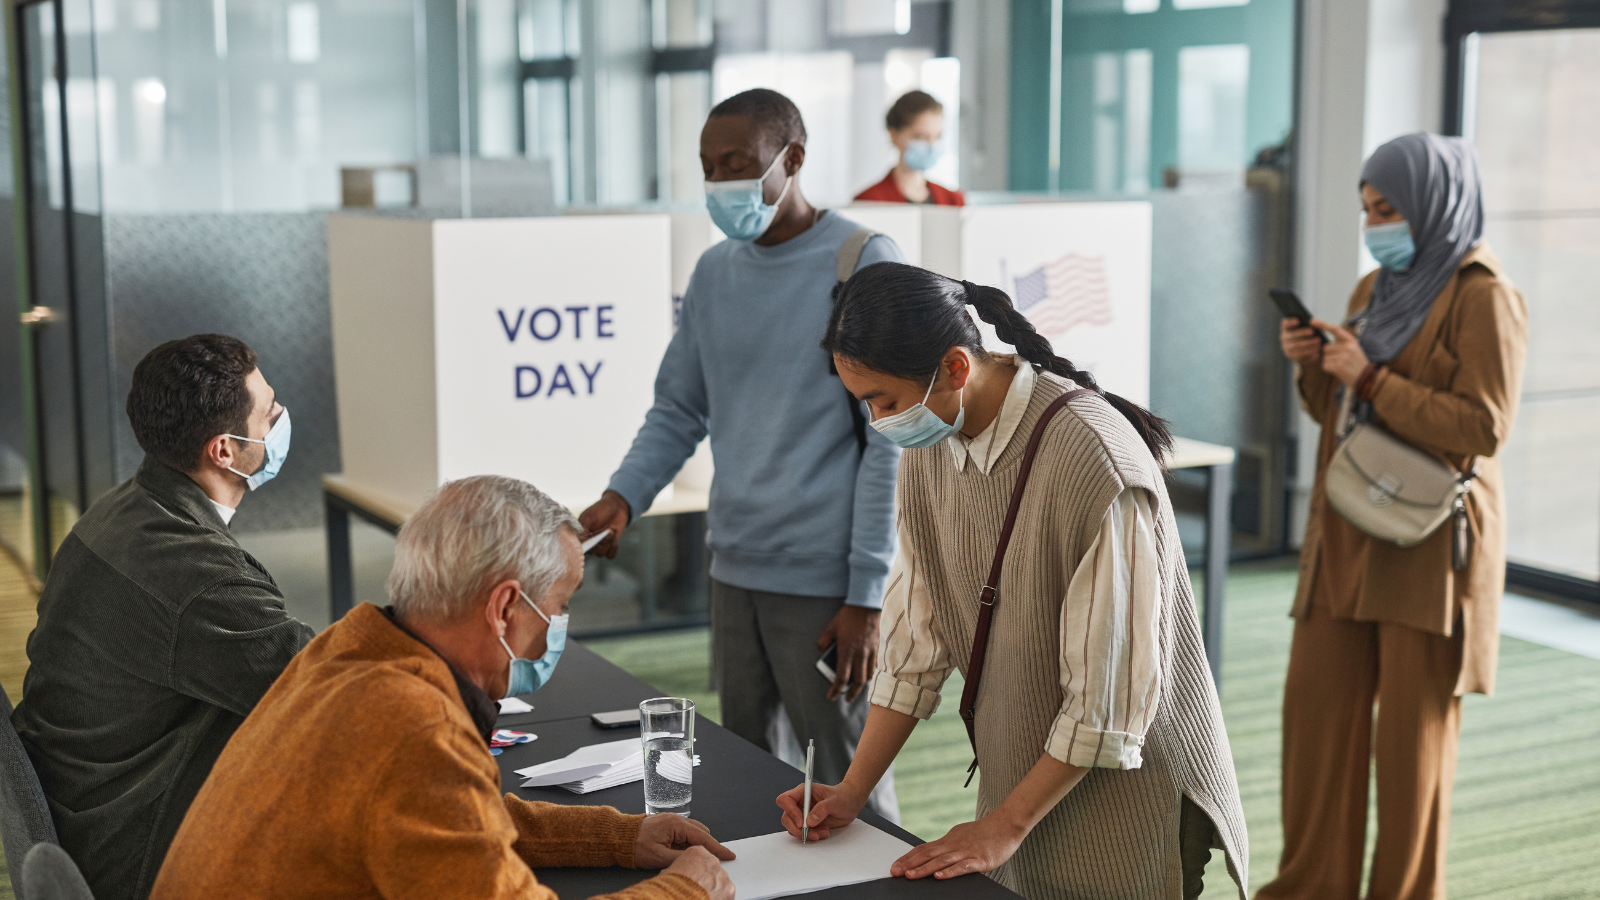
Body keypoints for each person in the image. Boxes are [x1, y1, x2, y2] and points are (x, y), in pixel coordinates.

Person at [777, 262, 1249, 899]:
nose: (878, 421)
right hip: (1030, 773)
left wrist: (1003, 824)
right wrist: (853, 789)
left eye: (883, 401)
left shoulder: (1093, 456)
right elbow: (917, 642)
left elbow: (1108, 703)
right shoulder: (931, 446)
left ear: (954, 368)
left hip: (1126, 783)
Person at [151, 475, 735, 900]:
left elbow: (462, 822)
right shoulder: (415, 727)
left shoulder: (345, 649)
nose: (554, 631)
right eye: (558, 607)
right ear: (505, 606)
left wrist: (622, 837)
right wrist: (684, 891)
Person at [580, 88, 904, 820]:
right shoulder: (714, 273)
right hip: (737, 569)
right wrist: (625, 495)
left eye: (738, 164)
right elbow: (678, 408)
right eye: (707, 167)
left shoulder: (862, 262)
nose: (721, 182)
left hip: (827, 585)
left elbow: (889, 443)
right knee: (747, 774)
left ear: (792, 160)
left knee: (851, 789)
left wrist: (866, 595)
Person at [1258, 134, 1527, 900]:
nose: (1376, 223)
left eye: (1389, 209)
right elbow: (1339, 418)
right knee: (1316, 722)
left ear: (1434, 206)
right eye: (1368, 209)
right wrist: (1315, 367)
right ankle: (1312, 887)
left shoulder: (1485, 295)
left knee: (1412, 749)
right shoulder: (1372, 289)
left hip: (1428, 545)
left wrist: (1370, 377)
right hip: (1347, 528)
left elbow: (1484, 427)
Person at [11, 334, 314, 900]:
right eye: (270, 412)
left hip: (86, 810)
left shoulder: (120, 510)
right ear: (224, 449)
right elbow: (327, 685)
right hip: (137, 851)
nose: (280, 418)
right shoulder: (201, 580)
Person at [853, 90, 965, 206]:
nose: (931, 145)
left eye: (937, 136)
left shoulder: (954, 201)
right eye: (921, 136)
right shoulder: (868, 201)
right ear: (894, 135)